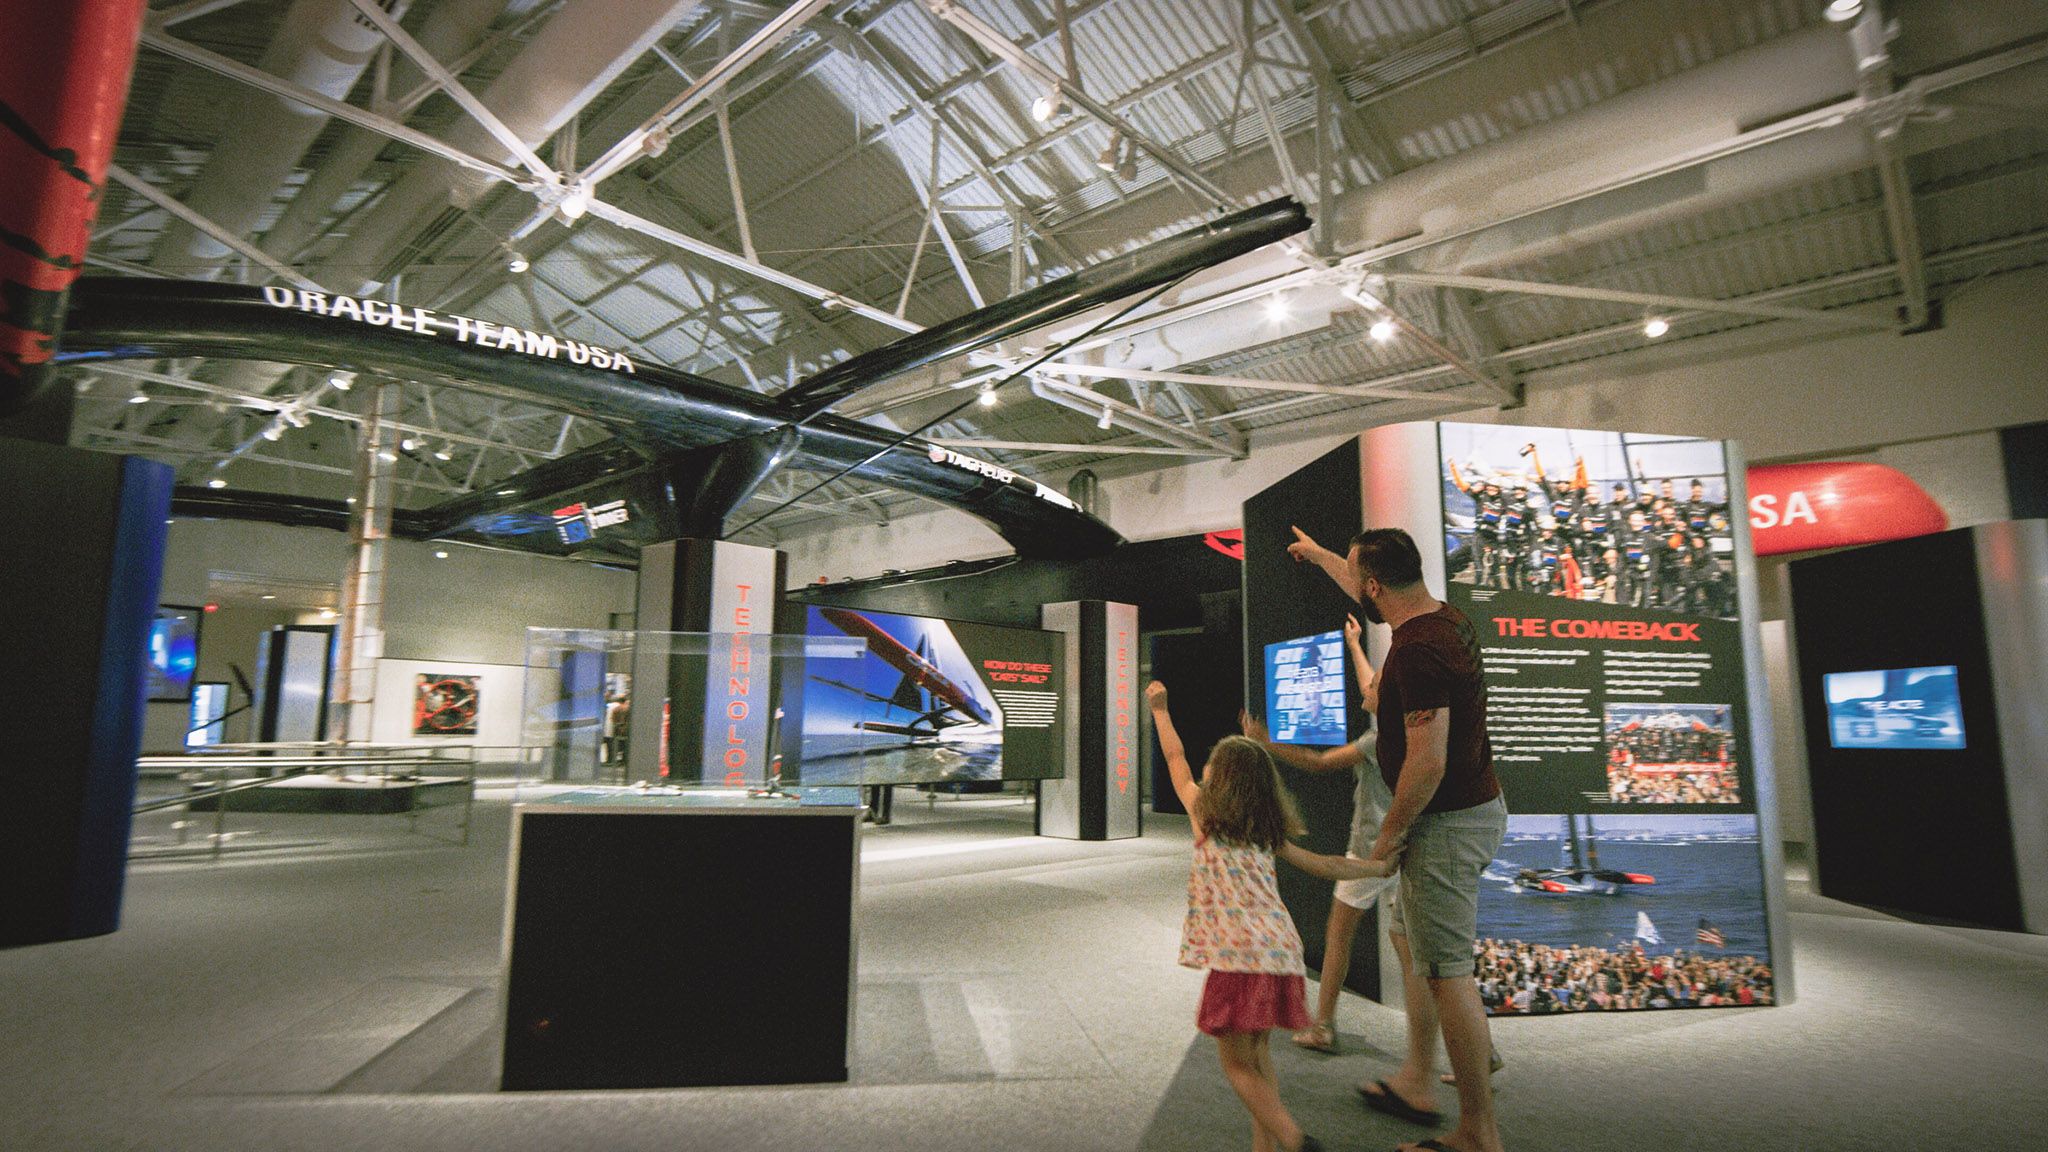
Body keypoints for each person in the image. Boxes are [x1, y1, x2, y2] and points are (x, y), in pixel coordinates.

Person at [1287, 526, 1510, 1152]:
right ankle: (1417, 1079)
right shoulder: (1443, 619)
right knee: (1415, 946)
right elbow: (1362, 581)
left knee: (1447, 972)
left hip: (1445, 826)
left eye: (1358, 579)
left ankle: (1478, 1133)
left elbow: (1426, 762)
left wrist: (1387, 837)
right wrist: (1320, 555)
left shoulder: (1416, 652)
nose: (1356, 588)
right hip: (1460, 815)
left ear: (1376, 587)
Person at [1148, 680, 1397, 1152]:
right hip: (1280, 953)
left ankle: (1294, 1140)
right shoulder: (1265, 832)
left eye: (1213, 763)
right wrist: (1378, 867)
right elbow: (1328, 865)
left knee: (1235, 1064)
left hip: (1238, 957)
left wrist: (1160, 711)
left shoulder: (1204, 815)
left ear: (1220, 778)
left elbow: (1175, 758)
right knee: (1259, 1056)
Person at [1240, 614, 1391, 1056]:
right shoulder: (1410, 732)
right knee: (1421, 952)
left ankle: (1323, 1025)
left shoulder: (1375, 742)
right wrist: (1354, 644)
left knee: (1338, 934)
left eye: (1375, 686)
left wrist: (1265, 742)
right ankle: (1475, 1047)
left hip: (1370, 849)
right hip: (1408, 845)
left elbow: (1318, 763)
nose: (1366, 689)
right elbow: (1371, 686)